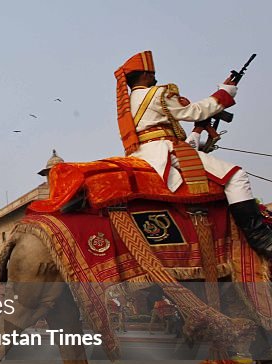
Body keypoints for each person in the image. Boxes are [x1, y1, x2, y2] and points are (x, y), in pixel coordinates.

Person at [116, 51, 272, 257]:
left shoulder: (131, 101)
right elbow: (193, 112)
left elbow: (167, 134)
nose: (155, 77)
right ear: (144, 75)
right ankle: (261, 239)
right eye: (152, 73)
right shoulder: (157, 93)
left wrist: (199, 131)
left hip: (146, 153)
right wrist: (225, 92)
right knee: (236, 176)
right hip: (165, 151)